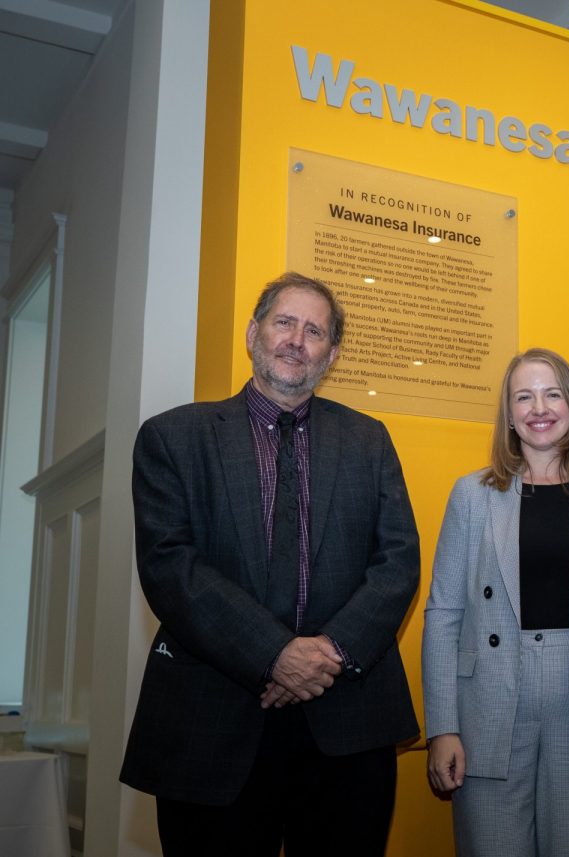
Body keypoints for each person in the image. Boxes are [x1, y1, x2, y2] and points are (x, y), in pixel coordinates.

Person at [120, 272, 421, 857]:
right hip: (213, 723)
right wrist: (275, 654)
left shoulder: (369, 441)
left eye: (315, 331)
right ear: (254, 333)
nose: (296, 340)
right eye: (285, 322)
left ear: (332, 354)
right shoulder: (173, 438)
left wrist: (327, 653)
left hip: (348, 723)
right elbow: (170, 567)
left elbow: (398, 561)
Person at [422, 348, 569, 857]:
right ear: (509, 415)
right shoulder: (471, 495)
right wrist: (442, 728)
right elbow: (443, 614)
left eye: (551, 394)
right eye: (524, 396)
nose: (538, 407)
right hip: (489, 703)